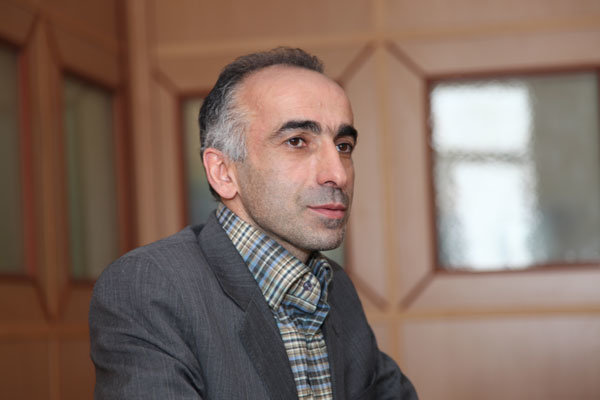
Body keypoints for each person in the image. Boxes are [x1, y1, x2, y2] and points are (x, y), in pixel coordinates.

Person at [89, 47, 418, 400]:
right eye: (297, 142)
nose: (338, 173)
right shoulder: (150, 288)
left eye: (343, 145)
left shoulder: (334, 286)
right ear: (223, 172)